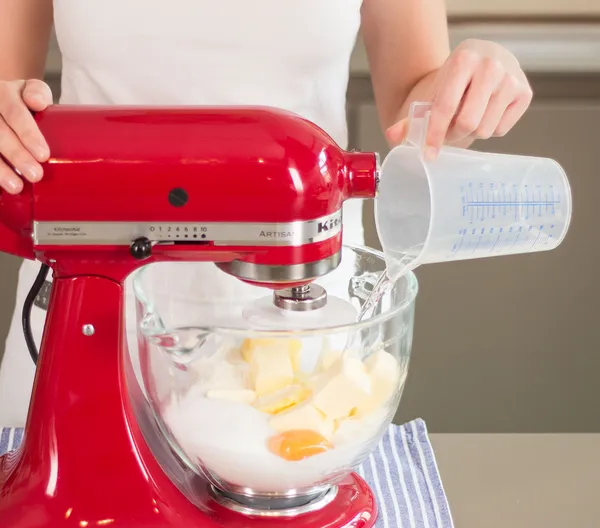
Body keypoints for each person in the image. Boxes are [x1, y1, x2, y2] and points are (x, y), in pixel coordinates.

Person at [0, 0, 533, 427]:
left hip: (297, 309)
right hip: (85, 294)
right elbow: (9, 91)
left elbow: (415, 113)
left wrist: (469, 86)